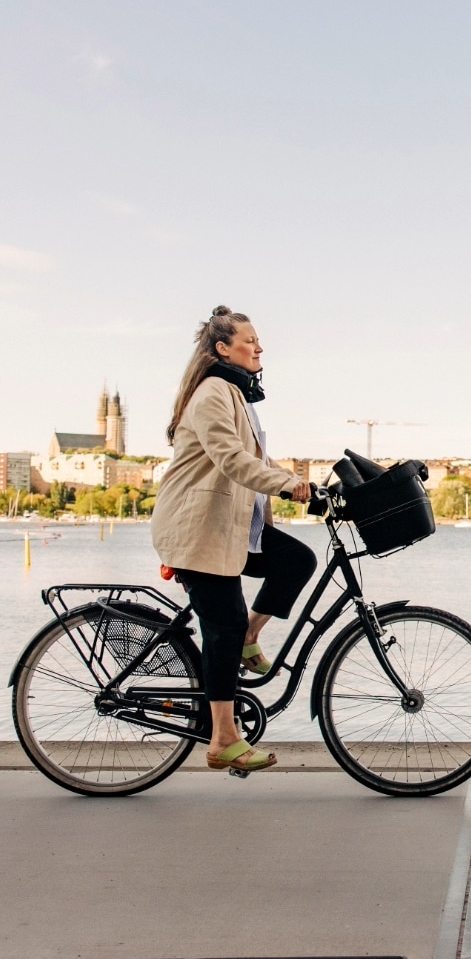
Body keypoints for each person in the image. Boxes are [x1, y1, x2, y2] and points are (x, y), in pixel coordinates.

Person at [152, 307, 316, 774]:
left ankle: (251, 634)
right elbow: (231, 460)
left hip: (231, 529)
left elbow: (248, 461)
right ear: (223, 349)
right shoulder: (212, 394)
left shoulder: (237, 395)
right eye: (250, 340)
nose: (259, 348)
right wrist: (286, 483)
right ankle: (223, 737)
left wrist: (306, 487)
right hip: (198, 530)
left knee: (296, 560)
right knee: (220, 628)